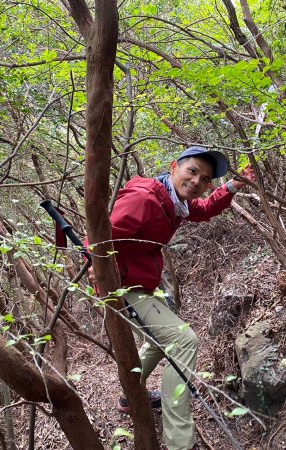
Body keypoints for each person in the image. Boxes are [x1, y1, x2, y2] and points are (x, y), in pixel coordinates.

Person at [95, 146, 254, 450]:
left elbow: (204, 210)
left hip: (138, 282)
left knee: (162, 338)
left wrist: (233, 186)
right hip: (120, 285)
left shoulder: (175, 202)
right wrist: (96, 267)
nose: (196, 181)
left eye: (205, 178)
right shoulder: (146, 198)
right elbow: (102, 235)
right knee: (184, 340)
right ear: (173, 167)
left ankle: (130, 395)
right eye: (192, 171)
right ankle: (180, 441)